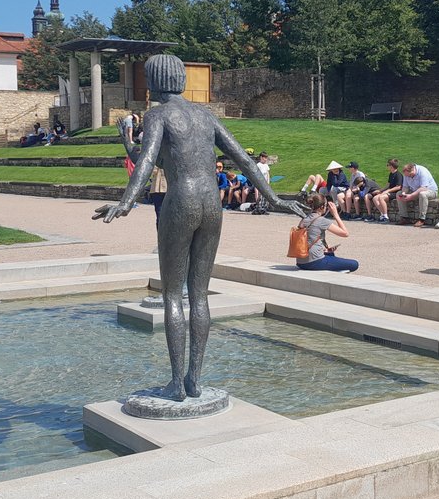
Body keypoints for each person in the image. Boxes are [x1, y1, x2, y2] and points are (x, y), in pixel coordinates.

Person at [100, 54, 302, 401]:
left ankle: (177, 383)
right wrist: (274, 198)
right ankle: (195, 378)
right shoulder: (205, 116)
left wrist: (127, 201)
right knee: (199, 294)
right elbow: (243, 157)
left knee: (172, 294)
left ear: (153, 82)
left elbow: (147, 162)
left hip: (182, 202)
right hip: (212, 204)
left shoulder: (158, 114)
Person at [295, 194, 359, 272]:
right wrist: (336, 215)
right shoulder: (321, 220)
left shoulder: (304, 219)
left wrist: (323, 249)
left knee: (330, 254)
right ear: (322, 207)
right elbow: (345, 233)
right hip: (314, 262)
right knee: (354, 264)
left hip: (301, 262)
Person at [395, 162, 438, 227]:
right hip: (415, 191)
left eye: (409, 175)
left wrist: (411, 195)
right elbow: (405, 187)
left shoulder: (423, 171)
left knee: (422, 194)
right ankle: (404, 217)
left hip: (430, 191)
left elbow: (424, 188)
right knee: (399, 193)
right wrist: (404, 193)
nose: (408, 177)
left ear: (413, 170)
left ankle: (421, 219)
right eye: (407, 176)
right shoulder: (406, 174)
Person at [369, 158, 402, 223]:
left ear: (391, 166)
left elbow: (398, 187)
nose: (387, 166)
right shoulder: (391, 174)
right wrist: (380, 190)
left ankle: (386, 217)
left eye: (388, 165)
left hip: (395, 193)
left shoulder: (398, 175)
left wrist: (388, 191)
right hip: (389, 192)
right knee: (375, 198)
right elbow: (388, 184)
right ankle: (382, 215)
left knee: (381, 197)